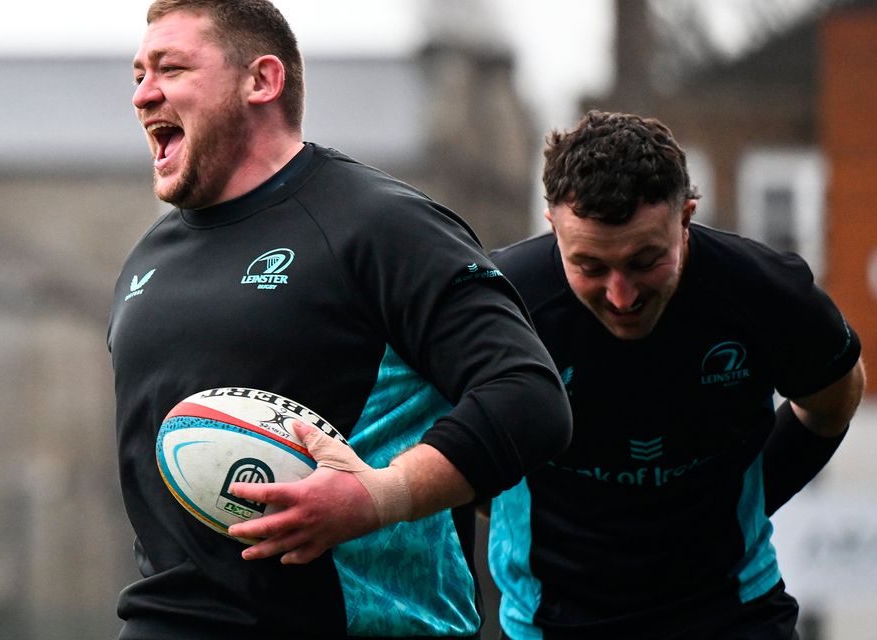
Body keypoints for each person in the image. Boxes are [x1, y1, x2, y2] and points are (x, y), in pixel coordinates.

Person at [107, 1, 572, 638]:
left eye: (172, 67)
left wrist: (377, 497)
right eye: (138, 74)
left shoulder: (383, 227)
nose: (144, 93)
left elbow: (530, 398)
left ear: (261, 81)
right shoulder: (144, 263)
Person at [487, 110, 866, 639]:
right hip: (553, 621)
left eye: (645, 261)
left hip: (733, 611)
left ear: (685, 219)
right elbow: (440, 436)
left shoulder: (763, 292)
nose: (621, 295)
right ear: (553, 228)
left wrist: (751, 492)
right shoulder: (501, 303)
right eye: (591, 266)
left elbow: (835, 398)